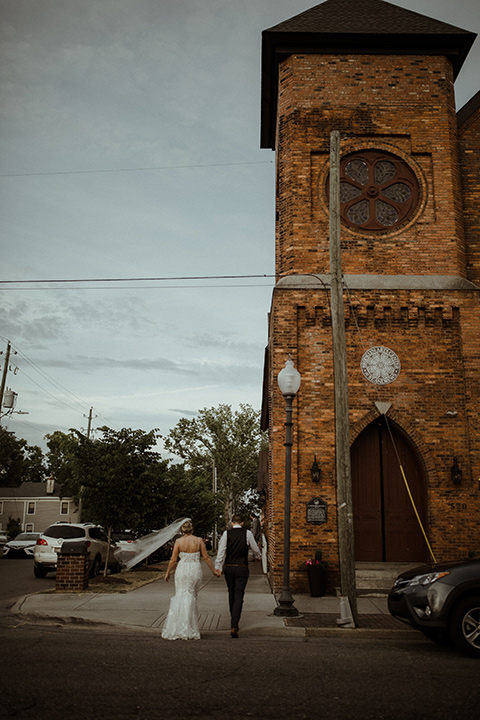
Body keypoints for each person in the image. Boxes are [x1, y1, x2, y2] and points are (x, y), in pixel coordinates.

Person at [161, 519, 220, 641]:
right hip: (194, 570)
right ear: (192, 529)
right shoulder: (199, 541)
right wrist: (214, 570)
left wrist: (167, 572)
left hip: (182, 570)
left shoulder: (178, 541)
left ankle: (178, 627)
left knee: (180, 595)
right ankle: (190, 627)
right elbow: (206, 557)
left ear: (182, 530)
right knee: (192, 596)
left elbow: (173, 560)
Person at [215, 513, 262, 638]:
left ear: (231, 523)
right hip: (242, 568)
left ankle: (233, 620)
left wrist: (217, 567)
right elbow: (255, 549)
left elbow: (221, 552)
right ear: (242, 523)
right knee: (239, 595)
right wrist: (258, 557)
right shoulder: (247, 533)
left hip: (229, 567)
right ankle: (234, 624)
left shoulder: (226, 534)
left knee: (231, 593)